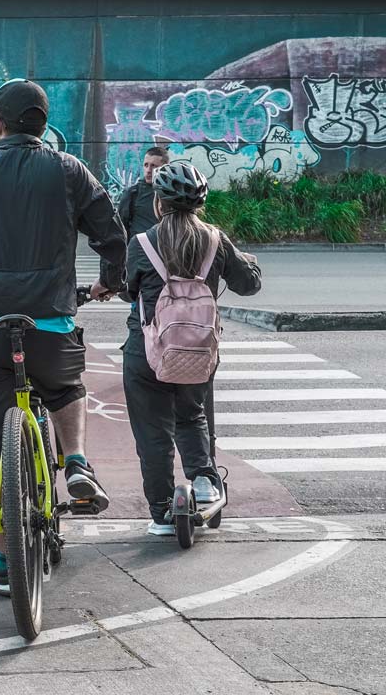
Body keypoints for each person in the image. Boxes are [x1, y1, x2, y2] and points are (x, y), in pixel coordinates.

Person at [0, 79, 127, 595]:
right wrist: (109, 280)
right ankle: (78, 462)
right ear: (42, 124)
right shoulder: (68, 170)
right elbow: (112, 233)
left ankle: (2, 560)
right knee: (65, 388)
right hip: (50, 321)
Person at [123, 162, 261, 536]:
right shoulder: (216, 240)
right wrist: (248, 264)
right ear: (200, 204)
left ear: (159, 203)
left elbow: (129, 291)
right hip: (198, 352)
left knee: (152, 432)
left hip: (147, 351)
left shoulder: (142, 244)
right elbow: (248, 285)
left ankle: (162, 513)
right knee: (191, 414)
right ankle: (203, 481)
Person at [117, 146, 169, 242]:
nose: (148, 170)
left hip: (167, 252)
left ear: (165, 168)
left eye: (153, 166)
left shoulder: (174, 194)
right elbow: (118, 230)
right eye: (146, 165)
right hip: (140, 252)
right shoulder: (132, 193)